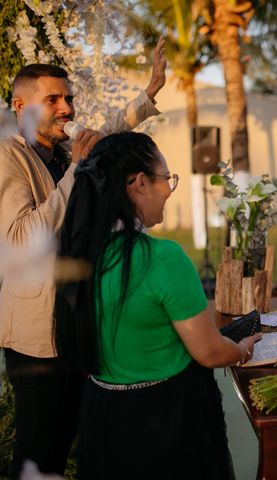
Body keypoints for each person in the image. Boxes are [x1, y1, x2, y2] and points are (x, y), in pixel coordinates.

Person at [0, 39, 167, 478]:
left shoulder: (54, 150)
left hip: (75, 325)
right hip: (37, 340)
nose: (67, 109)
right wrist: (76, 170)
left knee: (79, 442)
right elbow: (20, 239)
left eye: (69, 98)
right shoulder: (6, 155)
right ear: (20, 106)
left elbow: (104, 137)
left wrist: (146, 98)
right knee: (40, 454)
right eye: (52, 99)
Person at [54, 132, 261, 479]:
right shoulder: (162, 258)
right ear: (139, 184)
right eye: (167, 178)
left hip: (102, 415)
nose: (169, 189)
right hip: (164, 420)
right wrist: (241, 349)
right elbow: (208, 352)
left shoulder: (77, 255)